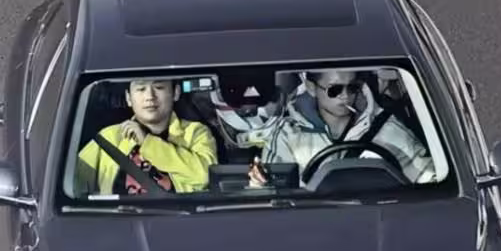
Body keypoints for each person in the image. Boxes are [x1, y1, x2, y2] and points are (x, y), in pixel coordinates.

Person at [249, 69, 435, 187]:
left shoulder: (386, 128)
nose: (345, 96)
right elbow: (273, 193)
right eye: (335, 90)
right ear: (311, 88)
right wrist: (260, 181)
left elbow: (428, 178)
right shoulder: (288, 134)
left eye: (352, 88)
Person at [76, 79, 217, 195]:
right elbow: (74, 182)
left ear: (176, 93)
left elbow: (205, 177)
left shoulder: (195, 133)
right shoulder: (110, 137)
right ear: (129, 98)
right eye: (141, 89)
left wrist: (147, 142)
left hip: (176, 218)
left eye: (159, 87)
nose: (150, 96)